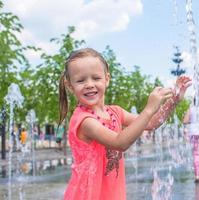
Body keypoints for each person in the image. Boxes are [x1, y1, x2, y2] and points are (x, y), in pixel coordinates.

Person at [58, 48, 191, 200]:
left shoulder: (115, 112)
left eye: (96, 78)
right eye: (81, 80)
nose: (89, 84)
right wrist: (148, 108)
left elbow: (151, 123)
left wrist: (174, 100)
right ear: (70, 86)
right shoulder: (84, 121)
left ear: (106, 79)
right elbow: (120, 143)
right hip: (87, 195)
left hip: (111, 193)